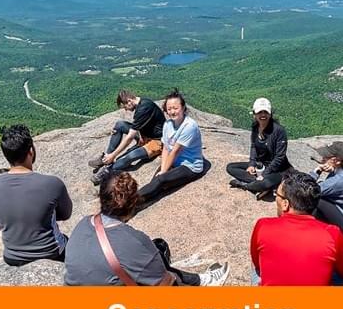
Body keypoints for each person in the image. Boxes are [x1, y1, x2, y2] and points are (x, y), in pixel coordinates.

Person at [64, 171, 230, 286]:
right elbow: (164, 285)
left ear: (101, 198)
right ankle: (204, 281)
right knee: (159, 258)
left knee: (158, 247)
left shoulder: (84, 223)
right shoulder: (133, 241)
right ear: (134, 202)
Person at [250, 170, 343, 286]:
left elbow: (257, 264)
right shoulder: (332, 233)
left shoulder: (263, 225)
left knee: (258, 258)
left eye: (276, 195)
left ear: (285, 204)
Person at [0, 125, 73, 266]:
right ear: (31, 151)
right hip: (51, 253)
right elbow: (65, 214)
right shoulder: (52, 184)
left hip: (11, 256)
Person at [137, 88, 206, 205]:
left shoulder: (189, 126)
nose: (172, 112)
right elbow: (165, 148)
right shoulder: (167, 124)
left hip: (190, 166)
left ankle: (129, 202)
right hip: (175, 162)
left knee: (161, 179)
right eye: (169, 109)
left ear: (183, 108)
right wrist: (163, 169)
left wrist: (164, 171)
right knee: (156, 181)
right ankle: (137, 202)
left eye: (175, 108)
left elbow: (174, 151)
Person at [88, 90, 166, 185]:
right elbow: (140, 125)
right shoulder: (141, 103)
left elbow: (129, 138)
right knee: (119, 125)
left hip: (157, 141)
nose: (126, 109)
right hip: (145, 136)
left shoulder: (144, 108)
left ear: (129, 101)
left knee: (130, 156)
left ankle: (108, 170)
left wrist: (114, 155)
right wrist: (111, 155)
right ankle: (106, 158)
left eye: (125, 106)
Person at [226, 98, 292, 199]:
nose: (263, 115)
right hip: (260, 165)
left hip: (278, 169)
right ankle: (258, 185)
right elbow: (253, 146)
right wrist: (252, 164)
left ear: (270, 114)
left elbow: (280, 157)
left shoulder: (279, 131)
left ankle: (246, 185)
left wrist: (265, 174)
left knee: (266, 183)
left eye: (265, 112)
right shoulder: (255, 127)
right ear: (254, 114)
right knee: (230, 167)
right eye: (259, 112)